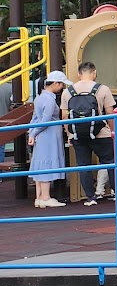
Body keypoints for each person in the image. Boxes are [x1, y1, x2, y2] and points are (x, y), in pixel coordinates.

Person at [67, 62, 116, 206]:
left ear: (79, 74)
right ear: (94, 73)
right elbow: (110, 112)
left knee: (84, 165)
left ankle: (90, 197)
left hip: (77, 135)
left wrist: (70, 133)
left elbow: (65, 116)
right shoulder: (103, 89)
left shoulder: (68, 91)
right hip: (101, 133)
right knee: (111, 162)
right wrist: (113, 131)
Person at [27, 71, 71, 208]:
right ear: (56, 83)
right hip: (50, 135)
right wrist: (34, 133)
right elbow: (45, 121)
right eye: (61, 84)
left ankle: (39, 196)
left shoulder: (39, 98)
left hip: (42, 135)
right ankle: (46, 197)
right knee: (48, 162)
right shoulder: (50, 100)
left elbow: (36, 119)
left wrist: (32, 133)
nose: (62, 87)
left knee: (40, 162)